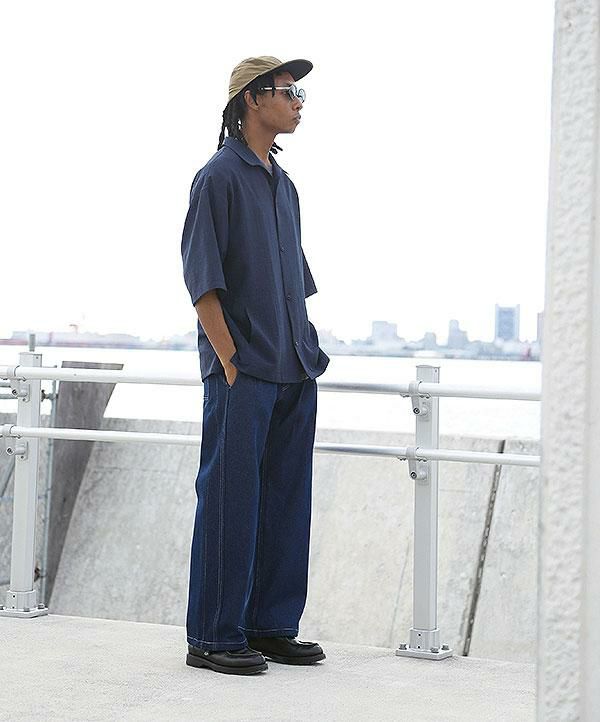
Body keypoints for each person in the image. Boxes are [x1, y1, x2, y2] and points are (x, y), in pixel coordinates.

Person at [180, 56, 330, 675]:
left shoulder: (284, 185)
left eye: (300, 94)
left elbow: (295, 280)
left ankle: (270, 626)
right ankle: (214, 636)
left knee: (288, 503)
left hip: (294, 367)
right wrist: (230, 361)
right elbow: (202, 279)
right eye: (288, 92)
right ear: (251, 98)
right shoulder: (217, 177)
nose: (298, 104)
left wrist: (305, 345)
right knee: (229, 501)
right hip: (243, 371)